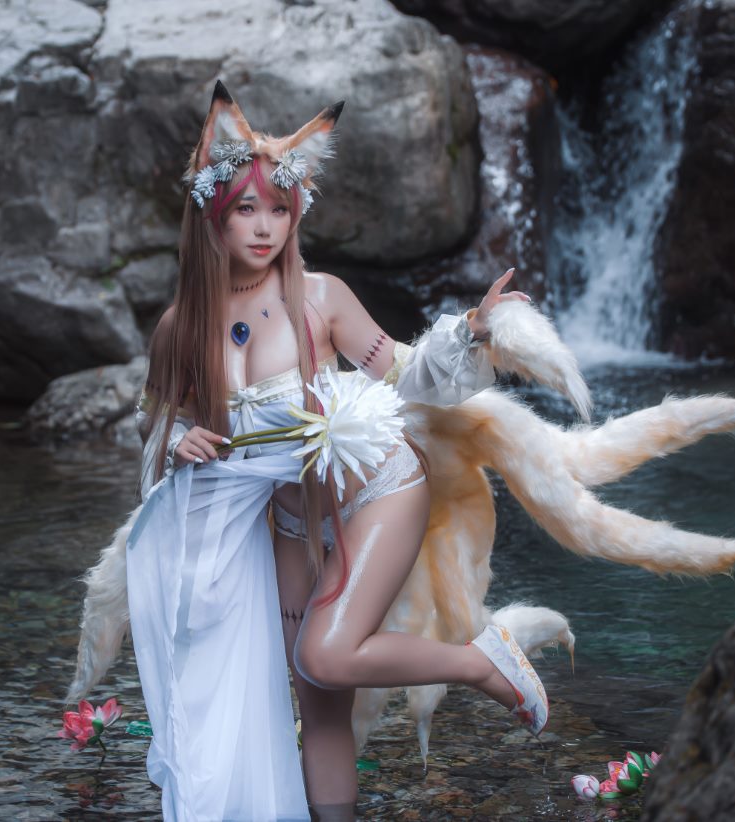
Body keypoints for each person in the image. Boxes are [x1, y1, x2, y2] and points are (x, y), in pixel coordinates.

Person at [126, 81, 547, 821]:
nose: (265, 228)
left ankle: (482, 662)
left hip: (377, 488)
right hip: (288, 520)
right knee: (317, 692)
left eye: (279, 210)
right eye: (246, 209)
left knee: (323, 653)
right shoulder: (178, 328)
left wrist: (471, 331)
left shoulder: (321, 297)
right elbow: (155, 422)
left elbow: (407, 373)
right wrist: (175, 437)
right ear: (212, 213)